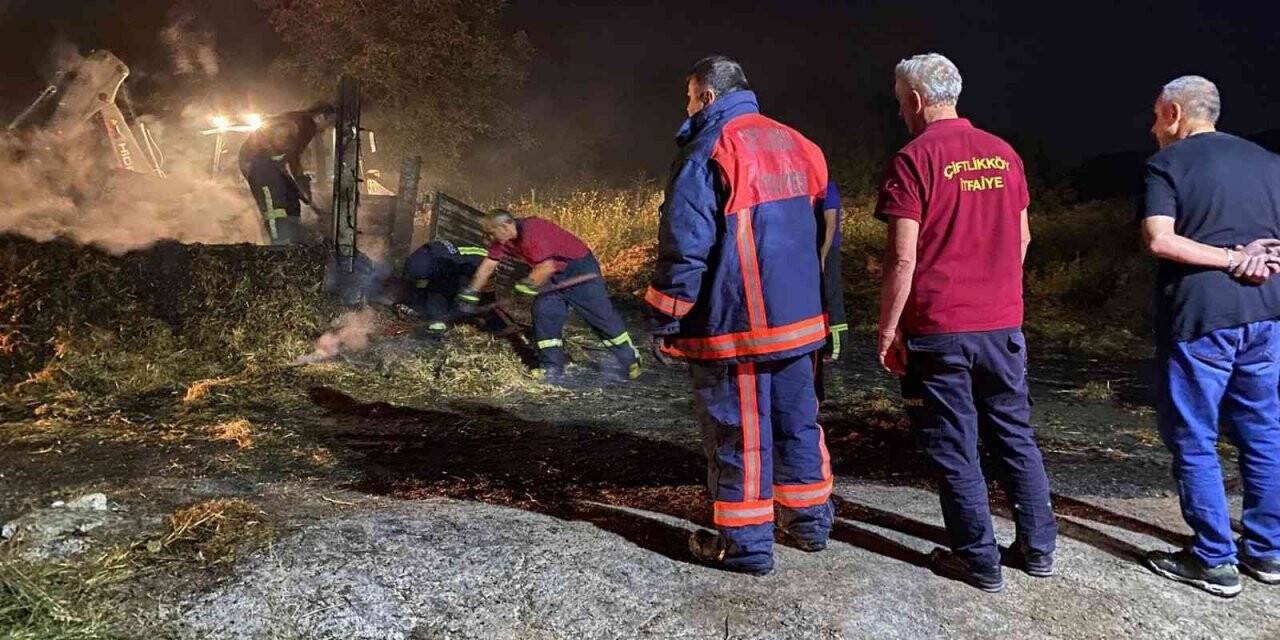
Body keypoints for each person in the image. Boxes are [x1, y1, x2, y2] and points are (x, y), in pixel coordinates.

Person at [874, 53, 1056, 592]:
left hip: (940, 329)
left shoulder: (912, 159)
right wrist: (994, 293)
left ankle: (978, 560)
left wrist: (888, 331)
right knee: (1015, 437)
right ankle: (1039, 549)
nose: (900, 111)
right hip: (1003, 328)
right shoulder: (1003, 154)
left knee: (954, 445)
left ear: (915, 100)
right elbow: (1021, 240)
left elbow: (903, 259)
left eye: (899, 101)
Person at [647, 55, 834, 575]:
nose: (686, 106)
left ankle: (747, 546)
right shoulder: (800, 143)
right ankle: (809, 523)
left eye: (689, 96)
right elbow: (820, 228)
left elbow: (686, 247)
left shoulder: (708, 149)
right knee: (798, 422)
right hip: (801, 321)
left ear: (707, 96)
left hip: (740, 323)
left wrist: (667, 317)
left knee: (739, 432)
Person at [1138, 75, 1280, 597]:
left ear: (1175, 113)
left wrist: (1227, 258)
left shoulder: (1167, 164)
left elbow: (1160, 239)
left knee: (1195, 436)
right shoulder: (1270, 163)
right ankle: (1267, 553)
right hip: (1266, 314)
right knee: (1262, 430)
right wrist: (1265, 258)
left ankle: (1214, 560)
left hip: (1201, 318)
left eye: (1156, 115)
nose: (1154, 127)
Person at [459, 210, 640, 382]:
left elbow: (546, 267)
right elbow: (488, 265)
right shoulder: (503, 241)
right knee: (544, 313)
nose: (488, 238)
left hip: (578, 270)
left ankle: (630, 359)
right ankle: (553, 367)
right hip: (553, 277)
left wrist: (527, 285)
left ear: (506, 226)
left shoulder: (533, 231)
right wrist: (471, 292)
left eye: (491, 233)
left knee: (600, 317)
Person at [238, 102, 335, 245]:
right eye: (329, 122)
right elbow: (291, 154)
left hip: (271, 163)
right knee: (274, 206)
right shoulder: (305, 123)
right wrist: (300, 181)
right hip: (258, 163)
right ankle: (280, 244)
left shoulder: (302, 124)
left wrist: (300, 186)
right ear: (321, 116)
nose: (327, 128)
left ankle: (292, 238)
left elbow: (292, 158)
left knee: (291, 200)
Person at [401, 239, 491, 335]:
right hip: (437, 262)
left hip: (427, 256)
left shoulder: (475, 256)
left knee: (441, 292)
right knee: (439, 292)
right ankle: (437, 321)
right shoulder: (482, 261)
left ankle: (439, 320)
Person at [815, 180, 848, 402]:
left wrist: (824, 256)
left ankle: (838, 348)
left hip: (828, 250)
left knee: (831, 295)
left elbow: (831, 223)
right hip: (813, 248)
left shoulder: (828, 186)